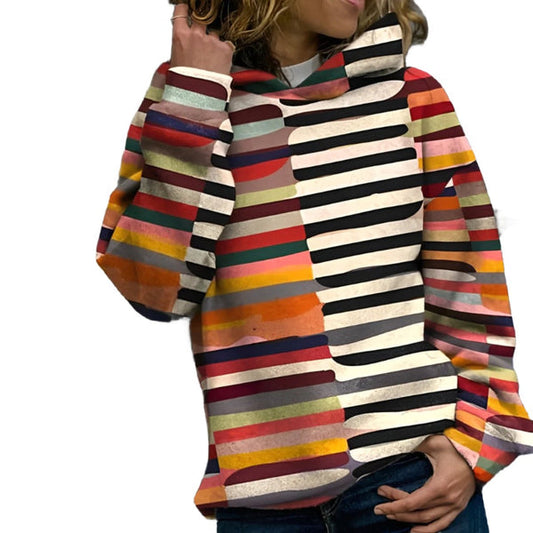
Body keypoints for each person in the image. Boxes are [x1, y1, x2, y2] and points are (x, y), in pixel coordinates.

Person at [96, 0, 533, 531]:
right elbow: (156, 292)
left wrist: (475, 445)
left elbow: (469, 285)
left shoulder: (411, 98)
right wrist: (194, 101)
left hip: (411, 483)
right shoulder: (185, 99)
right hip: (261, 504)